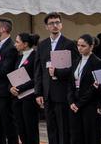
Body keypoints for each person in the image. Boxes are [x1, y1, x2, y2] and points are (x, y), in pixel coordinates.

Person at [36, 12, 80, 144]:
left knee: (63, 128)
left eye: (57, 22)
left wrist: (58, 72)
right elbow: (38, 70)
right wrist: (38, 92)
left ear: (61, 25)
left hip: (62, 92)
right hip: (47, 92)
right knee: (51, 128)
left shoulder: (69, 44)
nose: (55, 25)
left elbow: (76, 68)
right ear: (46, 27)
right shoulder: (42, 45)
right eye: (51, 23)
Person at [0, 18, 20, 144]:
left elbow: (6, 70)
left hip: (4, 91)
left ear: (3, 29)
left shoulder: (11, 47)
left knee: (8, 125)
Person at [68, 34, 101, 144]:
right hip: (75, 104)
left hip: (90, 105)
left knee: (90, 136)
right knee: (76, 136)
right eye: (78, 45)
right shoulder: (76, 61)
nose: (79, 48)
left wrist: (79, 103)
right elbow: (70, 83)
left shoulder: (98, 62)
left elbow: (97, 87)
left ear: (91, 47)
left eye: (83, 46)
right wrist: (71, 101)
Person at [11, 32, 41, 144]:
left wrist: (19, 88)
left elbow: (36, 78)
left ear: (25, 44)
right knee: (21, 129)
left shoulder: (35, 56)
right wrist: (11, 88)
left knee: (31, 129)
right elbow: (13, 75)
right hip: (18, 98)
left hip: (29, 97)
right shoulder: (19, 57)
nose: (15, 44)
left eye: (17, 42)